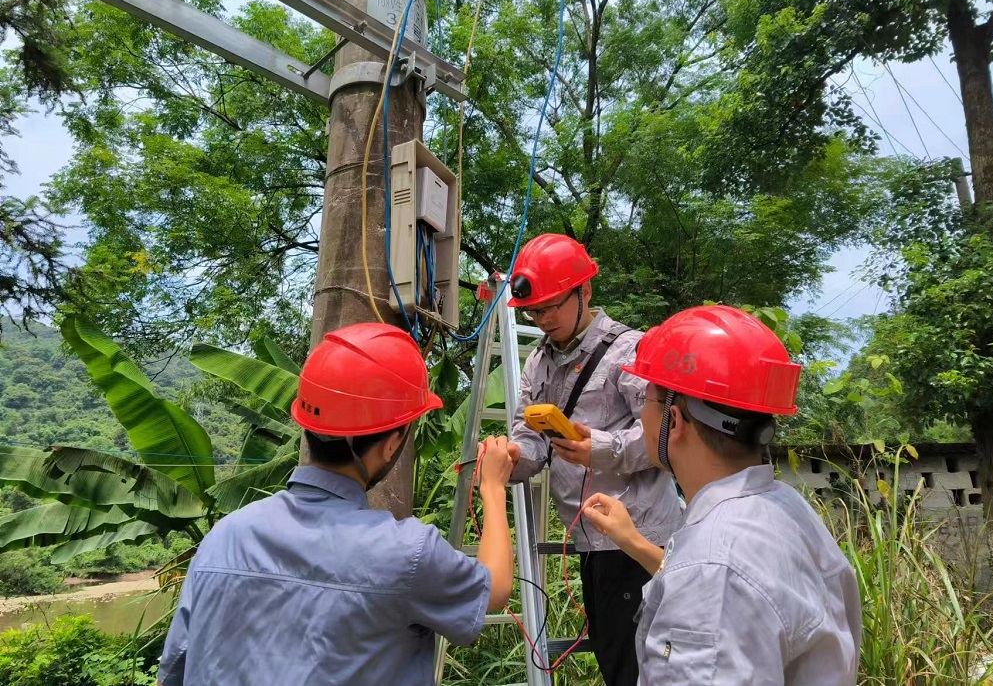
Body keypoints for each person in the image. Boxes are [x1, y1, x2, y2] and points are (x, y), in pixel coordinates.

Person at [157, 323, 516, 686]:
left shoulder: (224, 537)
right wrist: (492, 487)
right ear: (392, 443)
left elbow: (173, 668)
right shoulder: (407, 553)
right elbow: (496, 588)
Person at [582, 305, 862, 685]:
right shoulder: (788, 510)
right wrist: (632, 541)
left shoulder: (712, 570)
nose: (640, 419)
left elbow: (713, 575)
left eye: (645, 401)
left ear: (674, 422)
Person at [505, 233, 684, 686]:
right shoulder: (538, 362)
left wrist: (599, 448)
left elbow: (667, 436)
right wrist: (512, 456)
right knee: (614, 658)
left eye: (550, 307)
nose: (542, 319)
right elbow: (530, 437)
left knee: (641, 666)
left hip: (639, 539)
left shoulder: (629, 351)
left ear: (584, 290)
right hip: (590, 542)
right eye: (532, 312)